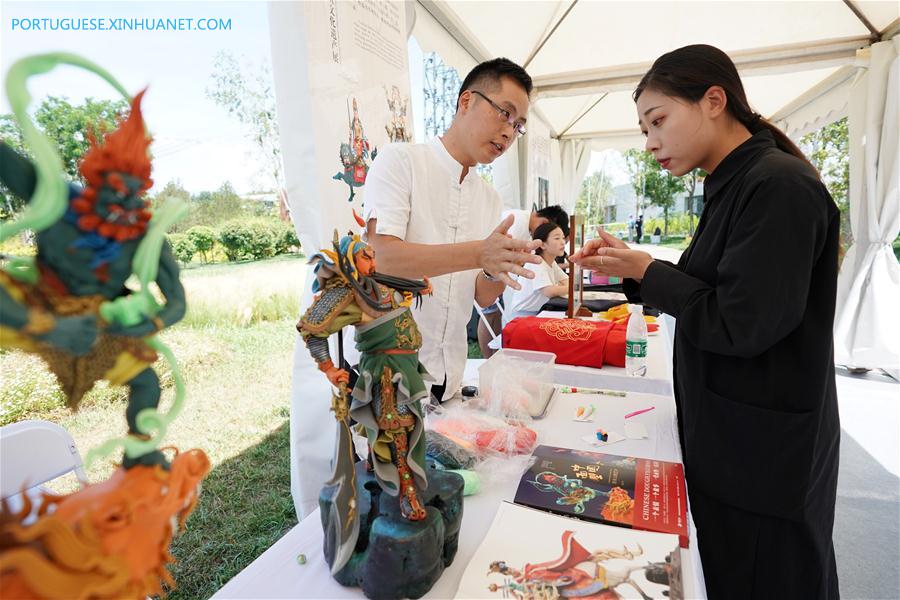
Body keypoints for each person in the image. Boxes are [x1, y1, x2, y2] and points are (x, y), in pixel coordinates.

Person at [571, 44, 840, 599]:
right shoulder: (732, 185)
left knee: (767, 578)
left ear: (714, 100)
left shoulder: (778, 187)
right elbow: (707, 287)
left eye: (658, 121)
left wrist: (650, 270)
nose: (649, 144)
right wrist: (635, 268)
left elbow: (741, 322)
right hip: (733, 440)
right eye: (644, 129)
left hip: (762, 456)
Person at [365, 58, 540, 402]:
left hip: (450, 377)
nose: (509, 131)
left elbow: (481, 296)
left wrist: (492, 269)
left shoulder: (489, 198)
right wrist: (478, 253)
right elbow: (380, 260)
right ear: (466, 102)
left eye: (518, 125)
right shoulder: (401, 162)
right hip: (392, 376)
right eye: (504, 113)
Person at [477, 204, 570, 358]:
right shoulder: (516, 224)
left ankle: (494, 358)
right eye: (557, 237)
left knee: (494, 315)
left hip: (498, 278)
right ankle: (490, 359)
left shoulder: (527, 228)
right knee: (489, 313)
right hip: (487, 273)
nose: (562, 243)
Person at [508, 223, 569, 320]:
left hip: (538, 312)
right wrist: (571, 288)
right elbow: (549, 291)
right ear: (543, 245)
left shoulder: (551, 262)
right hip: (522, 317)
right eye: (557, 238)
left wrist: (567, 287)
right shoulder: (536, 263)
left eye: (563, 238)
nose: (563, 242)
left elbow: (567, 280)